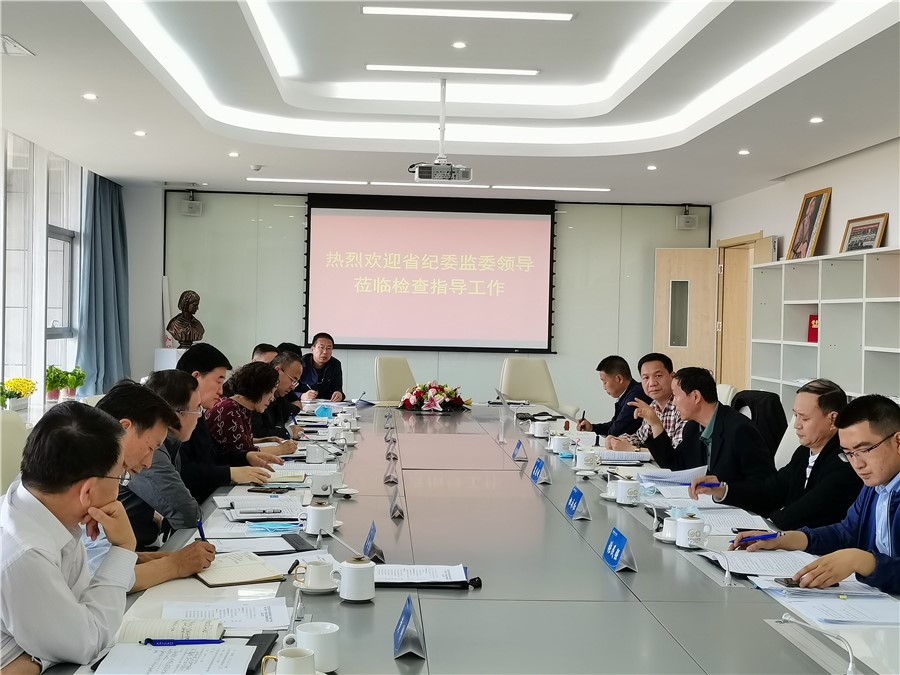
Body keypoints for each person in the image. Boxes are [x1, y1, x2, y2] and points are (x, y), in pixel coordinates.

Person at [1, 402, 136, 672]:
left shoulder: (34, 504)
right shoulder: (27, 554)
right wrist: (123, 547)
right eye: (119, 476)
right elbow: (86, 642)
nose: (120, 486)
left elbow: (78, 616)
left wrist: (36, 656)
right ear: (87, 492)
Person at [732, 395, 900, 592]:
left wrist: (864, 561)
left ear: (898, 442)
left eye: (864, 450)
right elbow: (845, 533)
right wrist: (783, 539)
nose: (857, 464)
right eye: (848, 454)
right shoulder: (874, 487)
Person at [87, 381, 216, 592]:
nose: (148, 463)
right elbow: (101, 579)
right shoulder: (89, 481)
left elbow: (100, 556)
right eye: (150, 447)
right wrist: (175, 564)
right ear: (124, 428)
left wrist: (170, 557)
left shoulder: (105, 472)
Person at [690, 379, 862, 530]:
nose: (796, 425)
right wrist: (723, 489)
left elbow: (808, 509)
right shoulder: (803, 452)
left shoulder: (846, 462)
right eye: (795, 415)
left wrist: (766, 526)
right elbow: (771, 490)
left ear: (833, 420)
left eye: (805, 418)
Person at [176, 344, 278, 505]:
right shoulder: (177, 417)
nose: (221, 391)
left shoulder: (198, 412)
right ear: (196, 377)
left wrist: (245, 456)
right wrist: (230, 473)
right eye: (219, 381)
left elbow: (213, 455)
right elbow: (184, 473)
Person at [643, 367, 775, 484]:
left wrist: (723, 491)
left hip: (733, 503)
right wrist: (655, 424)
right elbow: (676, 465)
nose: (674, 402)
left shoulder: (740, 430)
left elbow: (763, 484)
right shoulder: (693, 427)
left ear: (696, 396)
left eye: (676, 396)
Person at [206, 362, 292, 457]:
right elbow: (243, 453)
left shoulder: (241, 407)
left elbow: (238, 441)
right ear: (259, 389)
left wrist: (265, 440)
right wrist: (280, 449)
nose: (272, 398)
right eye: (270, 392)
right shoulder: (229, 411)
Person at [605, 353, 685, 452]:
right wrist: (617, 440)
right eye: (646, 378)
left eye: (658, 376)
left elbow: (676, 454)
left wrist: (634, 449)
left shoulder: (682, 406)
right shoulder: (653, 405)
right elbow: (640, 437)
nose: (652, 383)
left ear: (672, 376)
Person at [576, 355, 650, 437]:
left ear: (619, 379)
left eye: (604, 382)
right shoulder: (630, 392)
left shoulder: (636, 396)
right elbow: (614, 424)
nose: (604, 387)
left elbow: (615, 432)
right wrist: (592, 427)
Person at [252, 351, 304, 441]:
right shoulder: (255, 391)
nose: (293, 386)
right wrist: (288, 432)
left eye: (295, 383)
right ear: (278, 370)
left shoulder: (278, 394)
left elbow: (284, 416)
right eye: (293, 380)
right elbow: (256, 433)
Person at [298, 332, 344, 402]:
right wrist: (302, 395)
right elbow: (290, 392)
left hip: (327, 404)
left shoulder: (335, 364)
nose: (325, 352)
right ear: (312, 349)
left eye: (329, 348)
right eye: (321, 347)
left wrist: (339, 395)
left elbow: (338, 389)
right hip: (304, 404)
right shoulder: (301, 364)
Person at [790, 195, 820, 259]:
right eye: (811, 206)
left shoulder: (812, 221)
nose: (812, 208)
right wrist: (803, 245)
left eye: (813, 206)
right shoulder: (804, 221)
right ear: (809, 206)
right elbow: (798, 239)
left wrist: (806, 243)